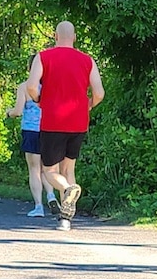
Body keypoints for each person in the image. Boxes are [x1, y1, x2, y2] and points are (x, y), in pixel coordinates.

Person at [26, 22, 103, 229]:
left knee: (49, 170)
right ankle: (65, 220)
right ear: (75, 37)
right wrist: (88, 105)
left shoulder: (43, 57)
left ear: (55, 36)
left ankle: (68, 189)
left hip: (52, 120)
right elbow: (99, 93)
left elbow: (31, 86)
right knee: (68, 167)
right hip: (78, 121)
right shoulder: (88, 60)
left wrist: (39, 99)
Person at [8, 80, 54, 216]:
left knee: (34, 169)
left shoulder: (25, 86)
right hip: (49, 130)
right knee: (48, 168)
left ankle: (39, 206)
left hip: (31, 130)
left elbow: (17, 111)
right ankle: (51, 195)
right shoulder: (52, 84)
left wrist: (9, 113)